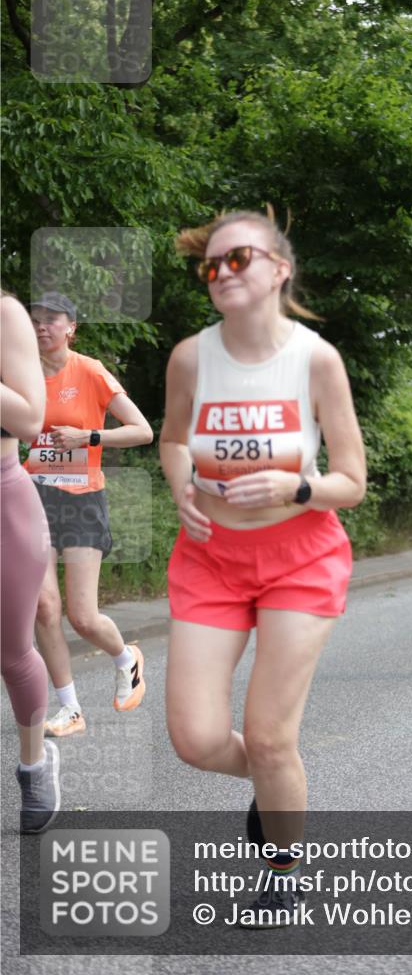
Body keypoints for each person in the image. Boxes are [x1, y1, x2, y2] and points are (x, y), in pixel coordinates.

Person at [160, 209, 366, 926]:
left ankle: (283, 870)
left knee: (273, 735)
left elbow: (351, 481)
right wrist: (182, 486)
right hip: (209, 557)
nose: (221, 273)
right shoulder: (190, 358)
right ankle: (278, 781)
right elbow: (173, 438)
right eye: (210, 265)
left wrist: (295, 487)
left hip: (299, 558)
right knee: (196, 740)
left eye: (238, 258)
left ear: (280, 269)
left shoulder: (315, 360)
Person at [26, 291, 153, 737]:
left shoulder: (90, 370)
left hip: (81, 499)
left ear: (71, 327)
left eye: (52, 319)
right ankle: (70, 709)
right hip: (33, 497)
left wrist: (89, 437)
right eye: (35, 319)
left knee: (82, 616)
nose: (42, 326)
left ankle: (126, 658)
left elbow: (142, 430)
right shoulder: (20, 374)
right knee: (45, 607)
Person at [1, 292, 59, 833]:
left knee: (12, 652)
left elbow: (30, 419)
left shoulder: (5, 315)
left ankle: (35, 765)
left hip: (4, 503)